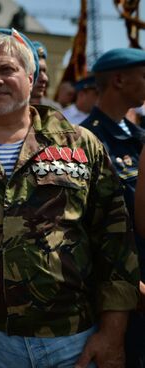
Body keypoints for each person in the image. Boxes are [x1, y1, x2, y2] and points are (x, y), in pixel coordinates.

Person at [0, 28, 140, 367]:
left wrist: (113, 332)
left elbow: (115, 240)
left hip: (72, 336)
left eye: (7, 70)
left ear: (30, 78)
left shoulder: (81, 144)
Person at [80, 48, 145, 368]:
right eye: (143, 75)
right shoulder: (88, 140)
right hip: (121, 285)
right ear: (119, 79)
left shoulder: (135, 136)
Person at [29, 41, 62, 109]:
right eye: (37, 71)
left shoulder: (54, 109)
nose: (45, 78)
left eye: (44, 71)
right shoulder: (8, 108)